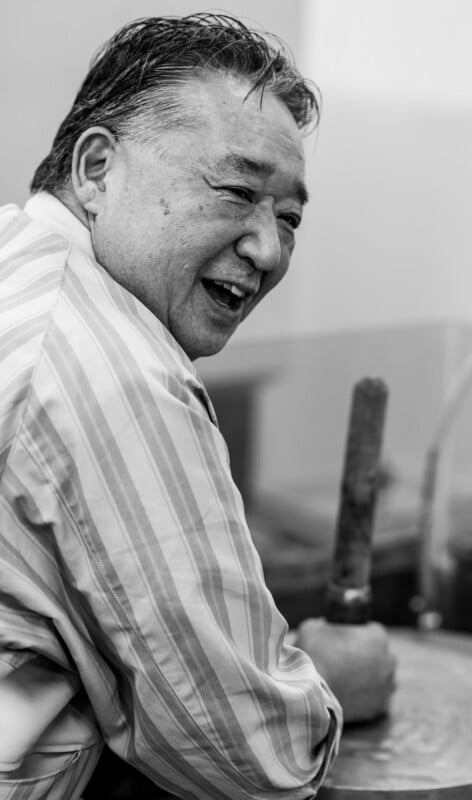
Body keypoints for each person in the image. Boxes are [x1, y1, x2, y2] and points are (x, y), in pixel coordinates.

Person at [0, 13, 396, 800]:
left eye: (289, 217)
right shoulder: (117, 377)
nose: (269, 249)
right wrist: (336, 689)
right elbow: (248, 760)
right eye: (238, 190)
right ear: (97, 168)